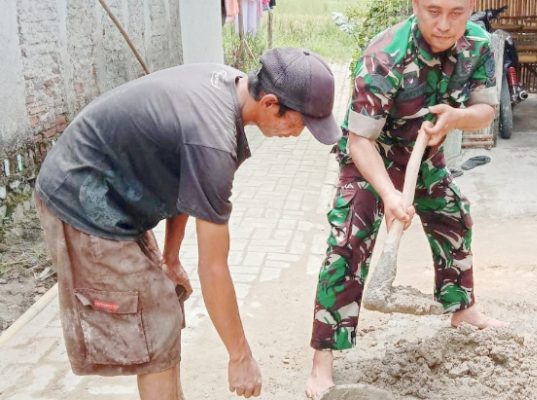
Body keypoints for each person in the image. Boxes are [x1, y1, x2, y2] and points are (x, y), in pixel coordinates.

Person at [34, 48, 341, 399]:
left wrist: (171, 257)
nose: (298, 134)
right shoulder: (213, 140)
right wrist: (239, 355)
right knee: (157, 318)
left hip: (112, 194)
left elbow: (186, 182)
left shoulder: (229, 86)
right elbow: (213, 268)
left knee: (164, 304)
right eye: (300, 123)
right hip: (78, 200)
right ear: (271, 103)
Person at [306, 0, 509, 397]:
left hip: (423, 153)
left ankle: (462, 308)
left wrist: (455, 118)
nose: (445, 24)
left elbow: (485, 109)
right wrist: (389, 195)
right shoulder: (385, 54)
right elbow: (359, 140)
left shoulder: (479, 44)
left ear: (471, 9)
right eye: (433, 11)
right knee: (347, 242)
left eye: (457, 12)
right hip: (371, 157)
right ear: (416, 4)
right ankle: (322, 359)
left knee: (455, 216)